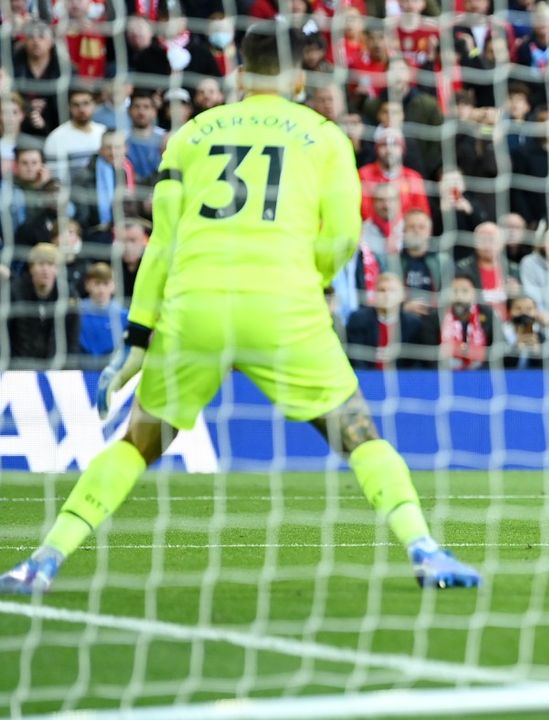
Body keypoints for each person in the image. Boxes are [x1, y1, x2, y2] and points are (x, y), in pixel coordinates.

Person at [0, 22, 479, 596]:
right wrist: (312, 278)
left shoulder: (194, 133)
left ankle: (44, 560)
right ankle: (423, 548)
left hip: (195, 305)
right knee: (359, 434)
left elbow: (162, 244)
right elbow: (345, 237)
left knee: (138, 443)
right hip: (283, 306)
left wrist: (136, 339)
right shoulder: (325, 136)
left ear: (237, 74)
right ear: (300, 76)